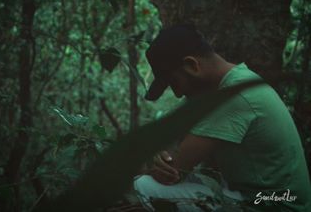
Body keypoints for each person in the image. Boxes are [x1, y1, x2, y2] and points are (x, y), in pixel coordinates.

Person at [133, 24, 311, 211]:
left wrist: (163, 160)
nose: (177, 94)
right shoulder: (231, 84)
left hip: (275, 205)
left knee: (144, 187)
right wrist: (159, 153)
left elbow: (176, 167)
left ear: (192, 65)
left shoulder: (234, 96)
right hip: (250, 196)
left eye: (174, 82)